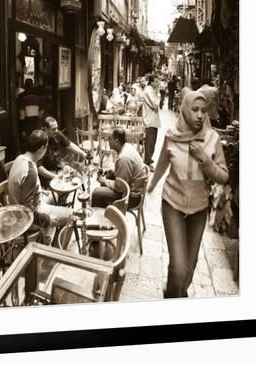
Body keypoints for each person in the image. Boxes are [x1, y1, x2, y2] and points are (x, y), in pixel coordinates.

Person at [146, 91, 229, 298]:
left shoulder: (213, 139)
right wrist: (151, 186)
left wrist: (206, 161)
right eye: (195, 110)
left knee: (189, 270)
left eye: (203, 110)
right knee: (180, 267)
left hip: (199, 209)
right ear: (184, 110)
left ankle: (174, 291)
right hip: (172, 203)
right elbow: (163, 163)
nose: (200, 115)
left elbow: (224, 176)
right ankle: (175, 305)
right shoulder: (172, 136)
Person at [8, 130, 72, 244]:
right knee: (72, 215)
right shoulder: (30, 172)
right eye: (46, 147)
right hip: (25, 219)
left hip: (15, 208)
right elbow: (27, 210)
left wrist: (40, 190)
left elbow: (22, 187)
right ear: (41, 148)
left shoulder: (20, 158)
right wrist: (47, 220)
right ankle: (57, 253)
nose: (46, 150)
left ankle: (48, 236)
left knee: (54, 195)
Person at [92, 127, 148, 209]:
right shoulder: (126, 146)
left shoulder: (124, 158)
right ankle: (108, 210)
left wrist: (105, 181)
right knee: (107, 176)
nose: (108, 141)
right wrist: (107, 171)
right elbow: (121, 173)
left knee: (96, 193)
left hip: (130, 198)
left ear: (116, 142)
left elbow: (120, 188)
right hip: (130, 187)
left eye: (110, 139)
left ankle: (106, 215)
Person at [38, 116, 87, 185]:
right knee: (64, 183)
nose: (56, 131)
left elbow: (69, 144)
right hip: (46, 172)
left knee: (76, 175)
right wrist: (56, 177)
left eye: (57, 128)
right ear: (46, 129)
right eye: (53, 129)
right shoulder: (39, 140)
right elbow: (38, 167)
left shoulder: (56, 134)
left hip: (58, 166)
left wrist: (82, 153)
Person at [142, 74, 161, 171]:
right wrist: (158, 94)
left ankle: (148, 159)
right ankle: (147, 161)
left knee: (152, 141)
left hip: (152, 119)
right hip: (150, 119)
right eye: (156, 81)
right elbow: (155, 104)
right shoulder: (149, 90)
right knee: (150, 141)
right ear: (152, 82)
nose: (158, 83)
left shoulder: (151, 90)